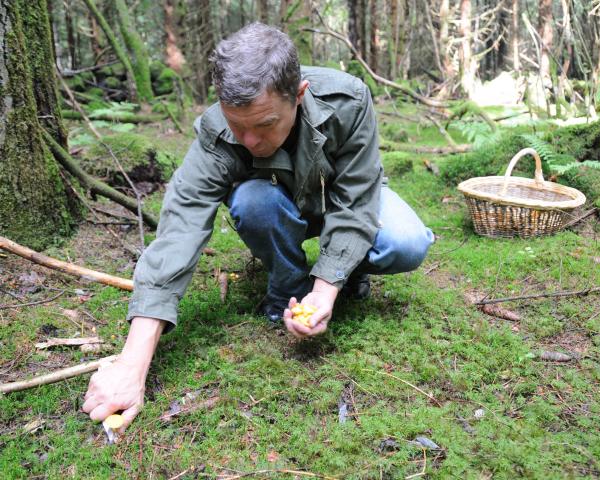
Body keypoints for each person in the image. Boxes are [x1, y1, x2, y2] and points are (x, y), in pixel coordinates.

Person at [82, 22, 434, 428]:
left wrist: (326, 290)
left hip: (344, 198)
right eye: (237, 125)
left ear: (298, 95)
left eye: (264, 124)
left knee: (406, 242)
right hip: (276, 206)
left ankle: (342, 277)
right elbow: (179, 229)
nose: (248, 141)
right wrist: (132, 363)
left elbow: (357, 201)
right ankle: (286, 287)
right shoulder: (217, 133)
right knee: (252, 201)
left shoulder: (348, 100)